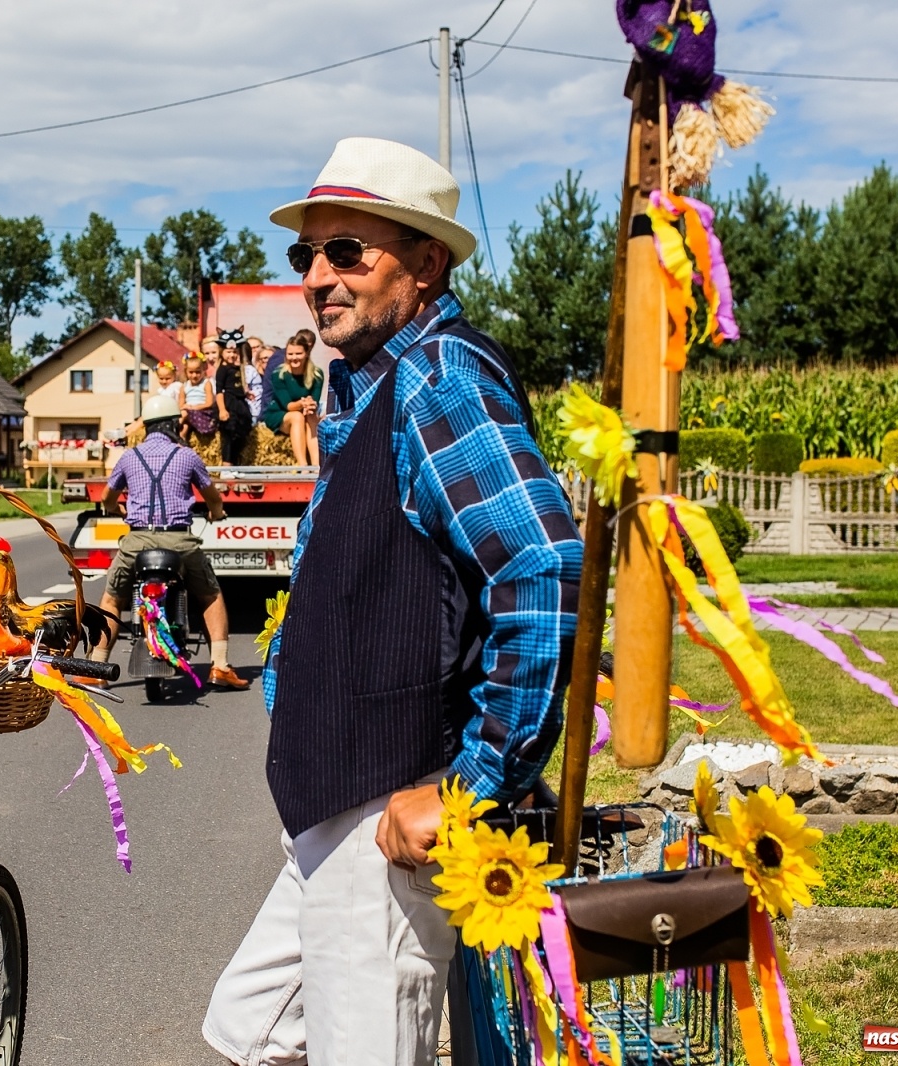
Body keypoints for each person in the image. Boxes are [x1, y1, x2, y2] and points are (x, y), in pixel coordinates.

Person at [203, 137, 582, 1066]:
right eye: (308, 255)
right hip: (338, 804)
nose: (319, 276)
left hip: (395, 804)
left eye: (347, 252)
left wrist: (472, 789)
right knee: (249, 1024)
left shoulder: (439, 376)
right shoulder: (370, 387)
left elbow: (541, 569)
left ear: (425, 262)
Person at [87, 393, 249, 690]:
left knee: (112, 598)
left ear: (146, 427)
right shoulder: (187, 455)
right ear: (175, 424)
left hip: (137, 540)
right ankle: (221, 666)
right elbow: (213, 496)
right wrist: (216, 512)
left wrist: (115, 509)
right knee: (211, 594)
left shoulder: (129, 457)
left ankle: (97, 667)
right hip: (179, 540)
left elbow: (107, 497)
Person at [261, 334, 324, 467]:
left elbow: (315, 401)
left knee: (311, 415)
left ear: (306, 353)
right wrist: (303, 403)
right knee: (297, 417)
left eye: (298, 353)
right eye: (290, 354)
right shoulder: (279, 374)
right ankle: (303, 466)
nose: (294, 357)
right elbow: (287, 405)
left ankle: (317, 465)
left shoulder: (317, 374)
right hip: (279, 413)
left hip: (304, 411)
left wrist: (310, 404)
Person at [215, 330, 255, 464]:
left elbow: (237, 385)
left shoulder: (237, 368)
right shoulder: (222, 370)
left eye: (234, 352)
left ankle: (235, 464)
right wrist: (222, 409)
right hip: (229, 404)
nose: (232, 355)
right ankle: (226, 465)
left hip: (240, 403)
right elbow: (219, 391)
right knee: (229, 435)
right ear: (222, 352)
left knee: (240, 433)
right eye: (228, 352)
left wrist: (246, 393)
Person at [181, 355, 219, 438]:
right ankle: (181, 437)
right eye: (191, 372)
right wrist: (186, 406)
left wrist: (194, 408)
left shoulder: (206, 383)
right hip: (188, 412)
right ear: (186, 372)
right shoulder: (184, 386)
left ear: (203, 370)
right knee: (184, 422)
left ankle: (172, 430)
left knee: (184, 414)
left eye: (198, 372)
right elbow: (180, 404)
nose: (194, 375)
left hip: (203, 412)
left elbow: (209, 403)